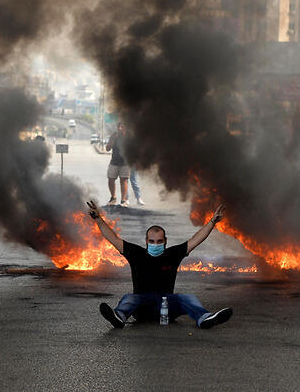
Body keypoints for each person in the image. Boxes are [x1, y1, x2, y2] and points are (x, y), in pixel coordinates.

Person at [87, 199, 233, 330]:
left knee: (188, 298)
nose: (155, 244)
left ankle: (205, 319)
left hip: (166, 307)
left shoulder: (173, 254)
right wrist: (98, 219)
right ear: (146, 241)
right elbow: (113, 238)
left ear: (165, 241)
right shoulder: (136, 253)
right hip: (142, 307)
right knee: (129, 298)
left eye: (159, 241)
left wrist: (212, 222)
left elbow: (196, 239)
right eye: (151, 241)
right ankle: (119, 317)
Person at [105, 122, 130, 206]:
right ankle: (113, 198)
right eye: (119, 127)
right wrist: (112, 141)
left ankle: (123, 200)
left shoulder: (128, 136)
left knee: (124, 180)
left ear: (125, 128)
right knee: (111, 179)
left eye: (122, 127)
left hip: (125, 162)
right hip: (114, 161)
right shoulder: (114, 136)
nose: (120, 128)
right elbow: (107, 148)